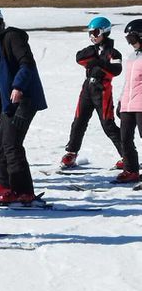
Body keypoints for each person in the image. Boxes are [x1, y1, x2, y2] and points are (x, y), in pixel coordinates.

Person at [0, 4, 47, 204]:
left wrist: (19, 86)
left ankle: (23, 190)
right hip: (9, 104)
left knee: (12, 144)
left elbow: (27, 63)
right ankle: (5, 184)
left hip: (24, 99)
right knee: (1, 141)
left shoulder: (12, 37)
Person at [60, 16, 123, 169]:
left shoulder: (113, 53)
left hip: (102, 90)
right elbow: (79, 58)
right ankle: (71, 153)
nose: (92, 36)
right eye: (90, 33)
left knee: (108, 124)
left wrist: (100, 62)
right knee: (79, 121)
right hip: (87, 89)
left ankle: (127, 154)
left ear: (105, 32)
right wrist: (94, 53)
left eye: (96, 32)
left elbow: (116, 70)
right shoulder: (93, 50)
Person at [113, 19, 142, 184]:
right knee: (125, 138)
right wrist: (120, 101)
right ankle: (131, 170)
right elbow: (128, 82)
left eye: (132, 39)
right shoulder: (132, 57)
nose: (130, 44)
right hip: (128, 104)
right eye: (128, 40)